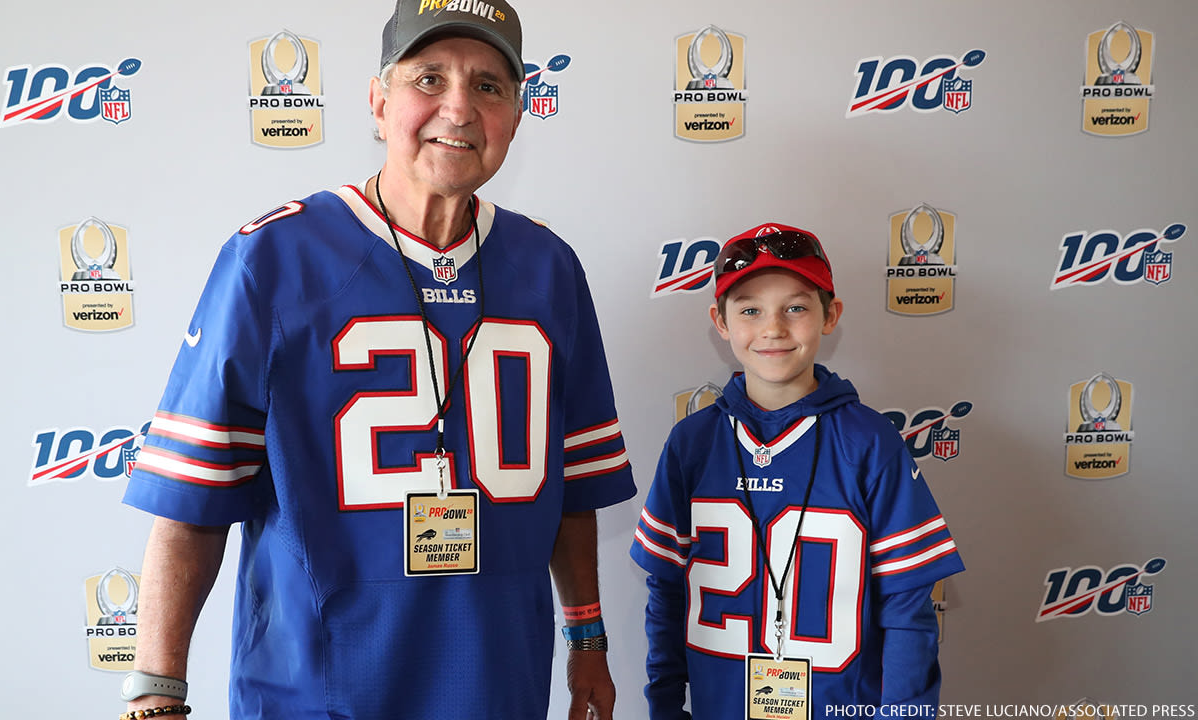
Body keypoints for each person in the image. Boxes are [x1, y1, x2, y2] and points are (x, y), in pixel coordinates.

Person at [119, 2, 635, 718]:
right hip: (315, 692)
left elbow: (573, 489)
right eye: (430, 78)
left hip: (498, 686)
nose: (458, 108)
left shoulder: (549, 269)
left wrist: (588, 641)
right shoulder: (271, 259)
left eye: (489, 86)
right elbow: (193, 500)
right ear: (378, 99)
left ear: (518, 115)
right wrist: (157, 688)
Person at [629, 223, 964, 719]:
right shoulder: (693, 443)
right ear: (720, 322)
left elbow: (908, 610)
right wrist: (664, 706)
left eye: (796, 307)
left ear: (831, 315)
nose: (773, 328)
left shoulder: (870, 443)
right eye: (749, 309)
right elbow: (666, 592)